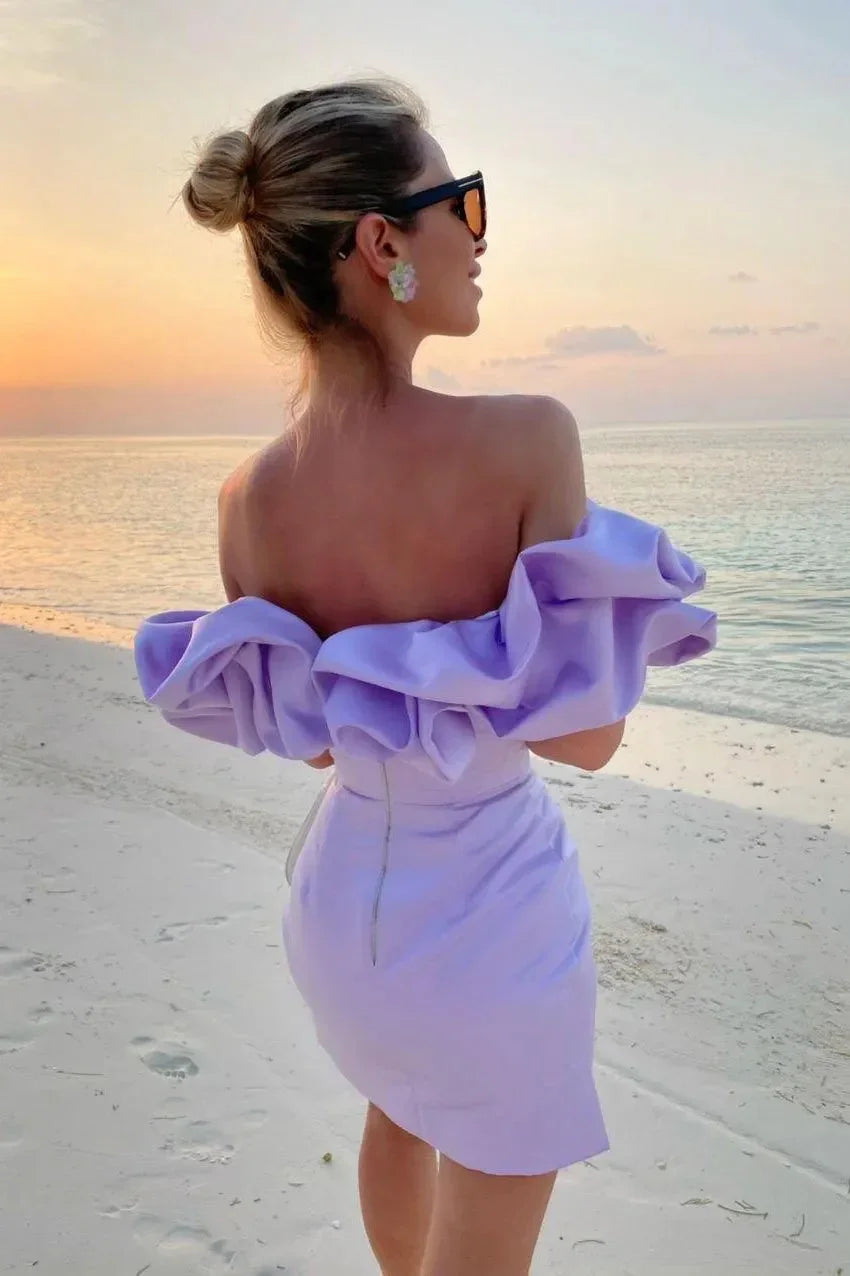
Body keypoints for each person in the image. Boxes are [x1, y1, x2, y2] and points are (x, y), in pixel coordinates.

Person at [134, 77, 716, 1276]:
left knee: (399, 1104)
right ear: (382, 242)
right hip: (491, 915)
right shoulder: (526, 438)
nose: (479, 235)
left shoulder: (249, 500)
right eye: (465, 202)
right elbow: (588, 739)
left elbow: (313, 743)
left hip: (344, 909)